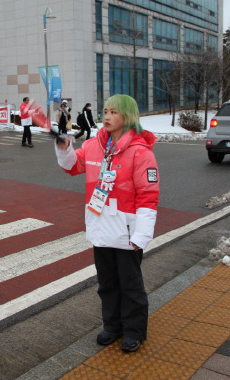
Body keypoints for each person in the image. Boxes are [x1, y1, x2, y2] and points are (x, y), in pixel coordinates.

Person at [54, 94, 160, 353]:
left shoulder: (140, 153)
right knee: (107, 284)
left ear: (128, 116)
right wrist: (64, 147)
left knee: (131, 285)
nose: (107, 116)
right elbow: (73, 166)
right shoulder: (93, 145)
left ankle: (134, 330)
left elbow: (148, 195)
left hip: (127, 232)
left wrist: (142, 234)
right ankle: (112, 326)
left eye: (114, 112)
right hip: (101, 228)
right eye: (106, 111)